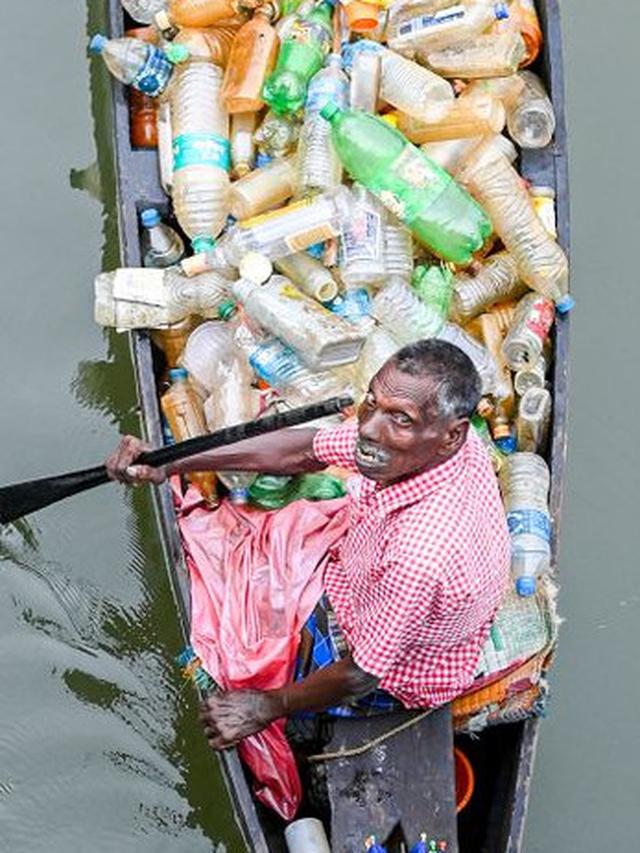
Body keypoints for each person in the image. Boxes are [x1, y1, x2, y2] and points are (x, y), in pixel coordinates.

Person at [106, 339, 510, 750]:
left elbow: (361, 673)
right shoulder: (436, 443)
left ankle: (302, 720)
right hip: (363, 570)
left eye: (400, 419)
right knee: (244, 569)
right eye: (371, 402)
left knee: (238, 661)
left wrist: (266, 706)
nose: (368, 429)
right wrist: (173, 460)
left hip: (392, 667)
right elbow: (306, 451)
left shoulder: (419, 556)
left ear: (452, 436)